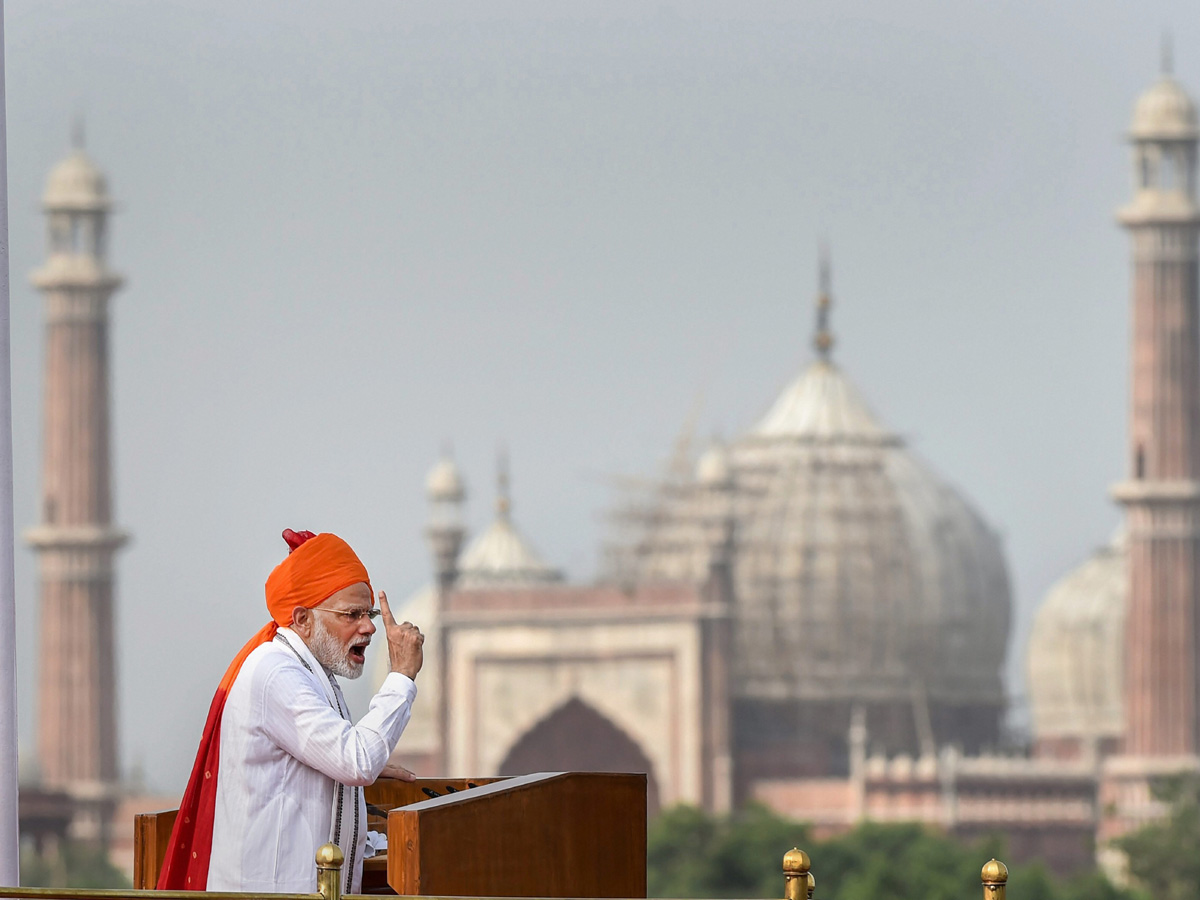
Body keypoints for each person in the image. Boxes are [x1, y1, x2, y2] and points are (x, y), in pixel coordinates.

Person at [158, 529, 424, 893]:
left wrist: (358, 777)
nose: (368, 627)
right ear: (302, 619)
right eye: (352, 614)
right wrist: (402, 677)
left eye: (369, 613)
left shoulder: (310, 671)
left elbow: (337, 766)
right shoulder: (276, 673)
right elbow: (357, 761)